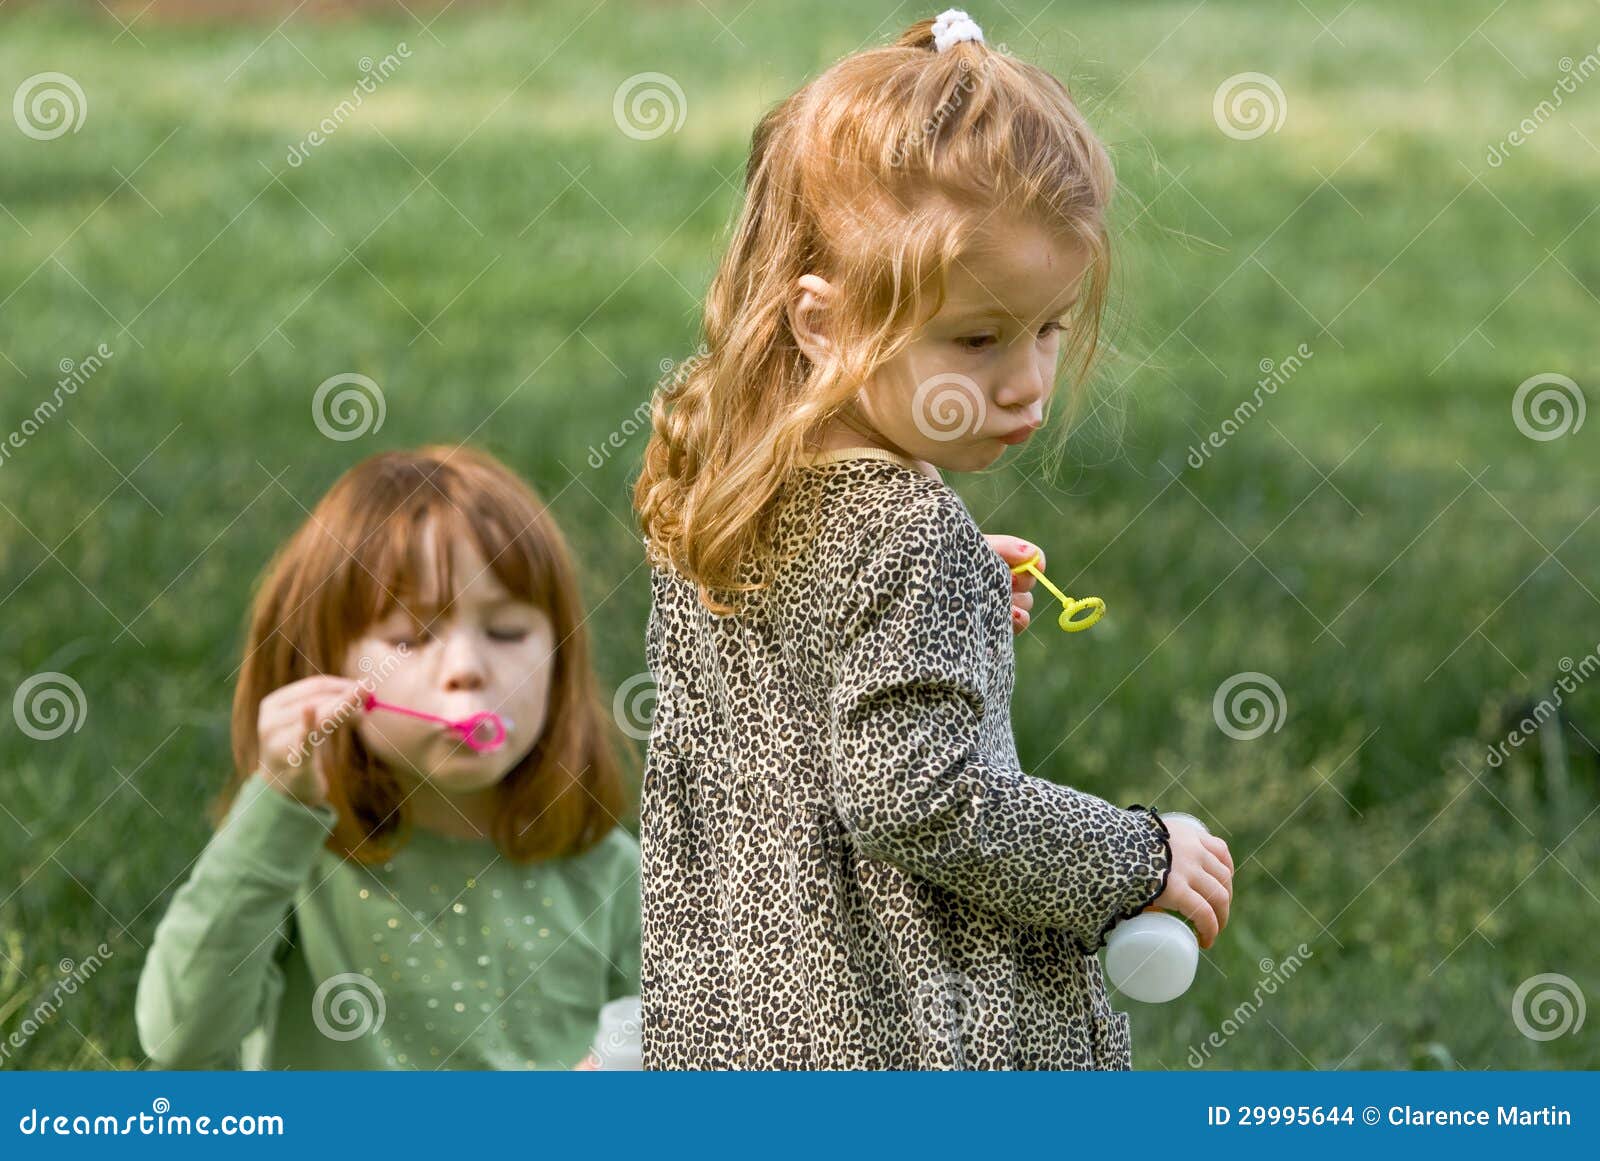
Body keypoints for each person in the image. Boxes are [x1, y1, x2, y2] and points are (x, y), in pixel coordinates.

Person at [630, 9, 1234, 1069]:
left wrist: (941, 592)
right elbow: (917, 799)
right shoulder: (907, 537)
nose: (1028, 383)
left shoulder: (734, 482)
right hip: (902, 1037)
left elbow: (790, 672)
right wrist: (1135, 859)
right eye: (977, 338)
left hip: (733, 1023)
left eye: (1047, 328)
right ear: (821, 320)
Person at [136, 445, 639, 1069]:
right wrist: (275, 804)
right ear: (327, 669)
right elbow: (179, 1038)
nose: (466, 671)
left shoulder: (612, 877)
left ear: (561, 661)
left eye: (507, 632)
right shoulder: (296, 867)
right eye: (410, 638)